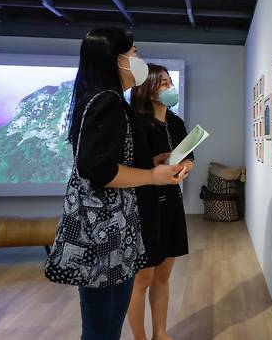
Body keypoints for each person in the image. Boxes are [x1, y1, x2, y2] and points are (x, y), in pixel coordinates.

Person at [47, 28, 189, 340]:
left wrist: (150, 165)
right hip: (104, 232)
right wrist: (152, 176)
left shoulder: (106, 100)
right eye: (135, 53)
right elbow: (97, 169)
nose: (139, 59)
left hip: (112, 228)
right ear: (116, 59)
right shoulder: (107, 100)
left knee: (106, 322)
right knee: (103, 326)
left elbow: (108, 160)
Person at [127, 64, 193, 340]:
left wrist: (186, 166)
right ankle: (140, 337)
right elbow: (128, 164)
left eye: (169, 82)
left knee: (164, 274)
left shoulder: (176, 122)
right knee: (142, 278)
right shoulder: (135, 123)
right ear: (148, 89)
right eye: (164, 83)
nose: (170, 87)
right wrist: (152, 166)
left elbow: (188, 156)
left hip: (172, 204)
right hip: (145, 205)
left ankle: (160, 333)